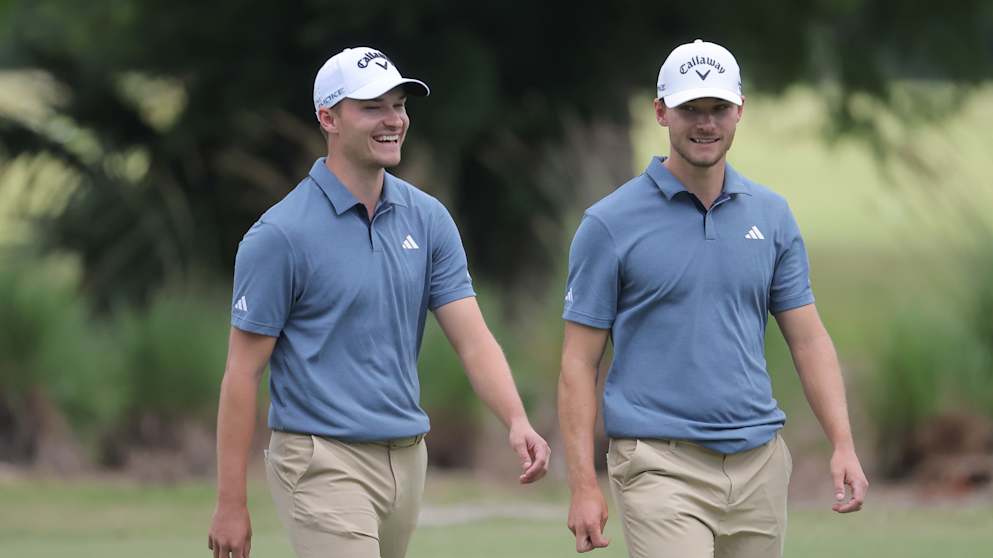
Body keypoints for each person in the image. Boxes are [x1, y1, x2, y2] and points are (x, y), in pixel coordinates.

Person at [207, 46, 550, 558]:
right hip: (320, 458)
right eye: (372, 107)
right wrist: (231, 503)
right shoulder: (280, 235)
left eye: (399, 105)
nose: (394, 120)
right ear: (329, 119)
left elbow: (473, 340)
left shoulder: (428, 219)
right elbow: (242, 372)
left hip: (407, 460)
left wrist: (516, 419)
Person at [557, 39, 868, 558]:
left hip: (759, 464)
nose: (706, 124)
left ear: (739, 110)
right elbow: (578, 362)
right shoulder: (609, 224)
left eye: (718, 108)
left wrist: (843, 443)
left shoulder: (771, 216)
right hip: (658, 464)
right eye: (690, 109)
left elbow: (809, 340)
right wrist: (583, 484)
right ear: (662, 112)